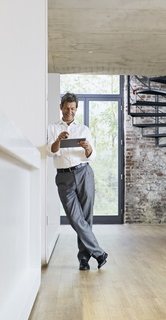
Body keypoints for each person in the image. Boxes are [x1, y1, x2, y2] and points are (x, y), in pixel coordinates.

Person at [47, 92, 108, 270]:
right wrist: (58, 139)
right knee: (75, 217)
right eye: (66, 108)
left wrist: (89, 148)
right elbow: (51, 152)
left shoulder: (84, 130)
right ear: (61, 107)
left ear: (76, 109)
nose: (69, 111)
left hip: (84, 173)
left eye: (72, 108)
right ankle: (99, 252)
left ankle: (84, 259)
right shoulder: (52, 128)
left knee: (86, 218)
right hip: (64, 177)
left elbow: (92, 156)